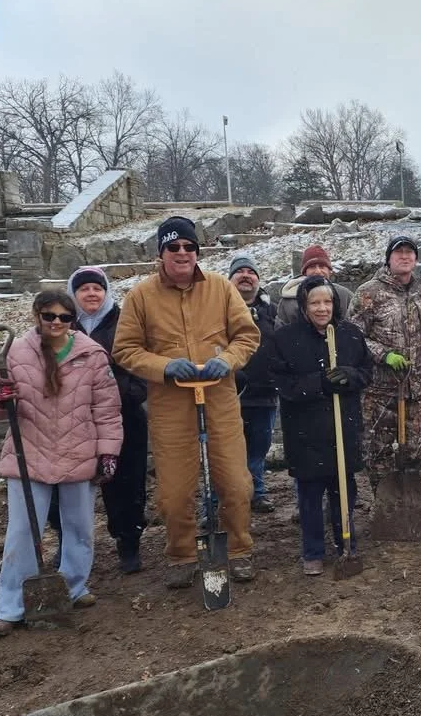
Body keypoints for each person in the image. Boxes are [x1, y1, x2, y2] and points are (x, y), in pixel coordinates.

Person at [113, 216, 261, 589]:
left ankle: (239, 549)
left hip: (219, 399)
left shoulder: (221, 289)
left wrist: (228, 360)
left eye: (189, 247)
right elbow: (125, 349)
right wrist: (163, 367)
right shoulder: (140, 297)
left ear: (197, 251)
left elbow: (247, 335)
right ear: (161, 252)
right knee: (174, 493)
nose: (182, 253)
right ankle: (181, 552)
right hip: (170, 405)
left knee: (236, 484)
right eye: (173, 247)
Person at [0, 290, 122, 638]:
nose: (57, 322)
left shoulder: (91, 354)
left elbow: (106, 409)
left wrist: (108, 452)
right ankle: (11, 607)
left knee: (80, 527)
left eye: (64, 317)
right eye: (49, 316)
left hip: (78, 449)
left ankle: (72, 587)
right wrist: (0, 399)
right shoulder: (13, 353)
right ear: (36, 316)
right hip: (29, 452)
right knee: (22, 532)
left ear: (73, 320)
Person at [51, 267, 150, 574]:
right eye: (84, 289)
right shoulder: (62, 324)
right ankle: (67, 542)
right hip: (73, 421)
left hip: (124, 417)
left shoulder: (124, 321)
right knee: (65, 485)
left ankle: (128, 542)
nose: (92, 294)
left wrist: (123, 393)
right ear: (73, 294)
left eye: (97, 288)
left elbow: (140, 362)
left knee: (125, 484)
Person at [270, 276, 372, 574]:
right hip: (306, 432)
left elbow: (367, 372)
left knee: (344, 491)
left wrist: (350, 375)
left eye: (327, 302)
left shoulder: (350, 334)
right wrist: (319, 383)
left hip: (343, 427)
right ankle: (313, 551)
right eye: (315, 302)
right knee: (310, 495)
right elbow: (283, 383)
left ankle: (346, 544)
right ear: (304, 306)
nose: (322, 308)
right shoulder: (286, 339)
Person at [348, 235, 421, 492]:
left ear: (416, 259)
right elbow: (353, 336)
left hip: (415, 388)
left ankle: (411, 501)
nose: (404, 256)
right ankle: (386, 503)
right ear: (388, 258)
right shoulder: (368, 292)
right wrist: (384, 355)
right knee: (378, 452)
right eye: (399, 252)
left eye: (409, 252)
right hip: (379, 391)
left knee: (419, 449)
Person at [228, 253, 279, 514]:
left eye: (251, 272)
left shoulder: (271, 310)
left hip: (265, 394)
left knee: (259, 449)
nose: (246, 276)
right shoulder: (219, 308)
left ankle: (256, 492)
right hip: (228, 395)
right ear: (230, 279)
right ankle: (215, 501)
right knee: (224, 452)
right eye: (240, 272)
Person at [275, 244, 354, 327]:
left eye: (322, 266)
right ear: (305, 273)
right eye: (312, 267)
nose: (318, 271)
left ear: (329, 271)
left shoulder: (345, 296)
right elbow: (280, 331)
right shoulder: (288, 302)